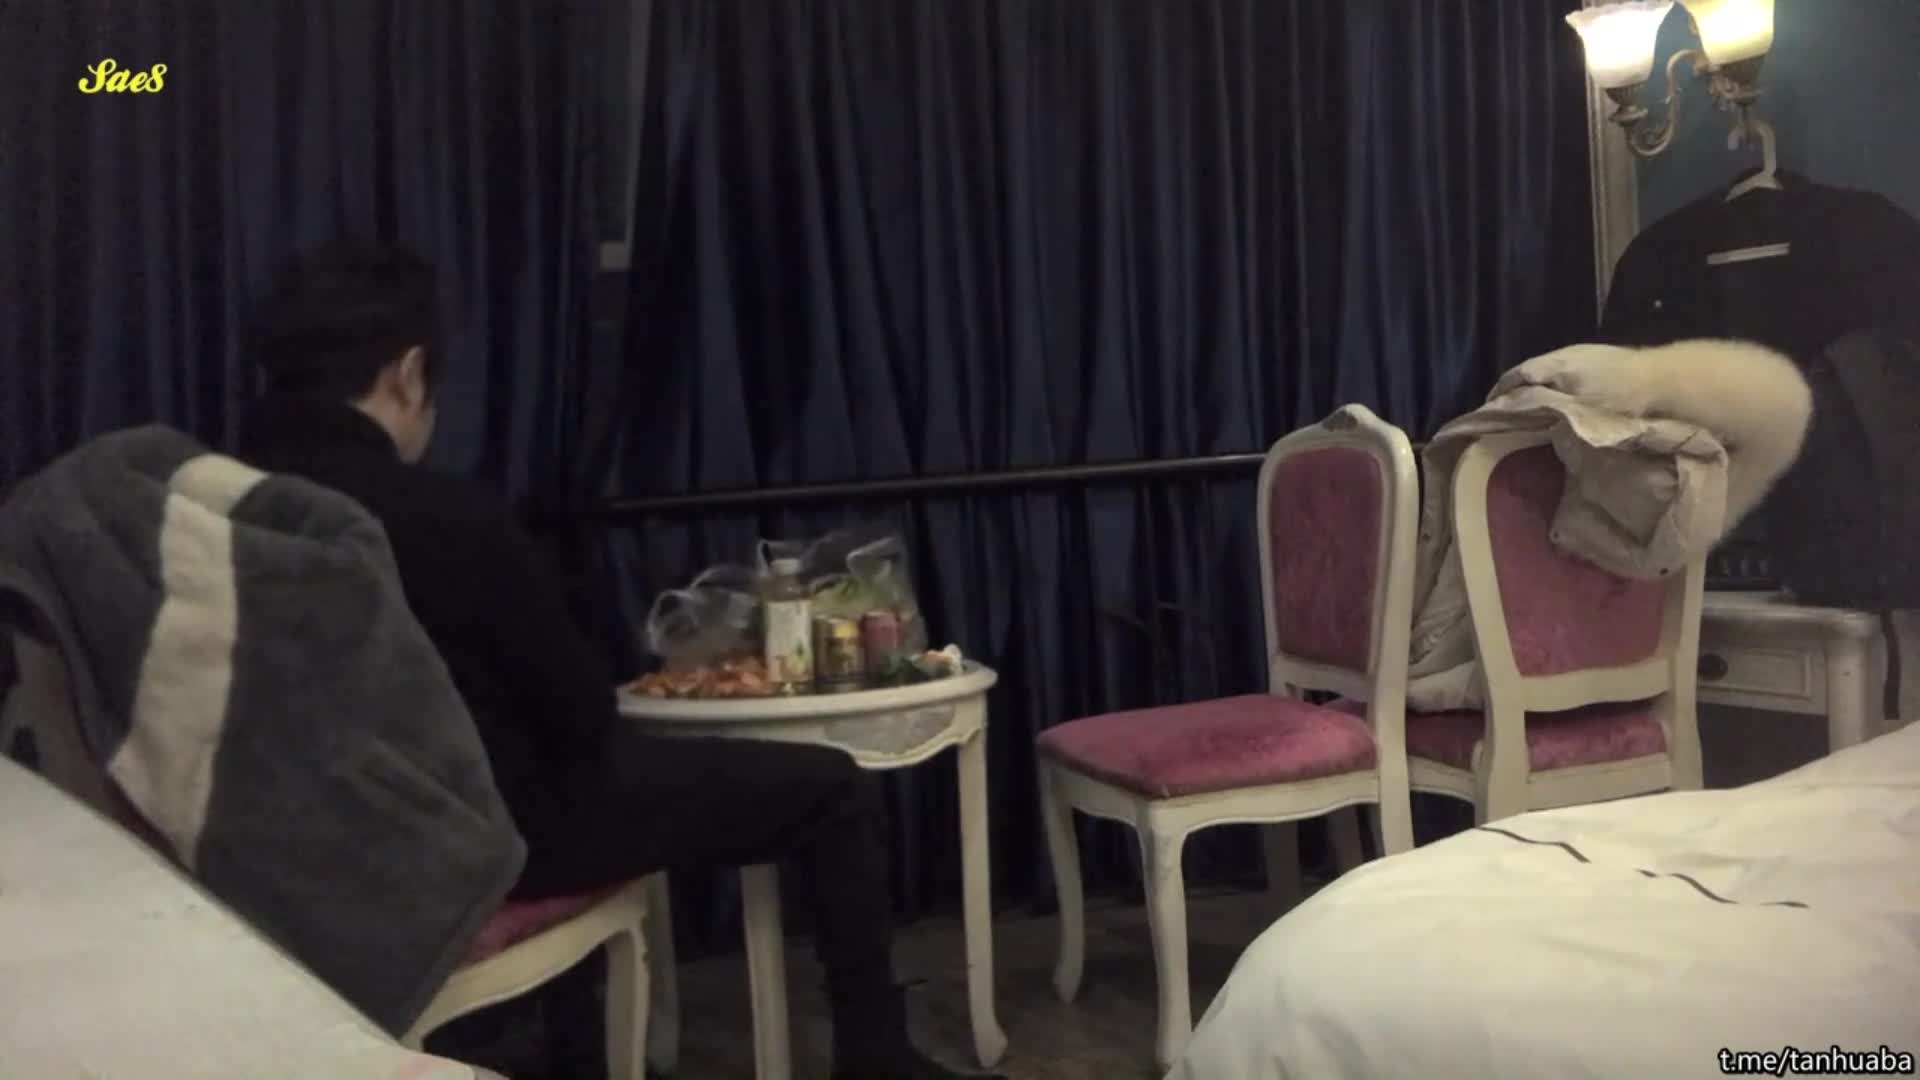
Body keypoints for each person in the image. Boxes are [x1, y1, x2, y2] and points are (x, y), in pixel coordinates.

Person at [236, 243, 998, 1080]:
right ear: (409, 375)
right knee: (831, 788)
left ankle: (580, 1044)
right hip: (489, 834)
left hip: (292, 845)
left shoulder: (213, 509)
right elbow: (578, 709)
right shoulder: (441, 517)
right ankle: (875, 1056)